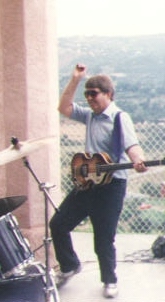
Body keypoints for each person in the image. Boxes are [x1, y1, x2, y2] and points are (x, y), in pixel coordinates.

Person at [50, 64, 148, 299]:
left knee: (103, 237)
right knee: (58, 224)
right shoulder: (89, 116)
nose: (90, 98)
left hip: (112, 185)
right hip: (88, 182)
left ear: (108, 94)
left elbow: (132, 145)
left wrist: (138, 159)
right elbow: (63, 107)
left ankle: (109, 280)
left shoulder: (119, 118)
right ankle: (69, 265)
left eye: (94, 93)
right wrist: (76, 80)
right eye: (87, 94)